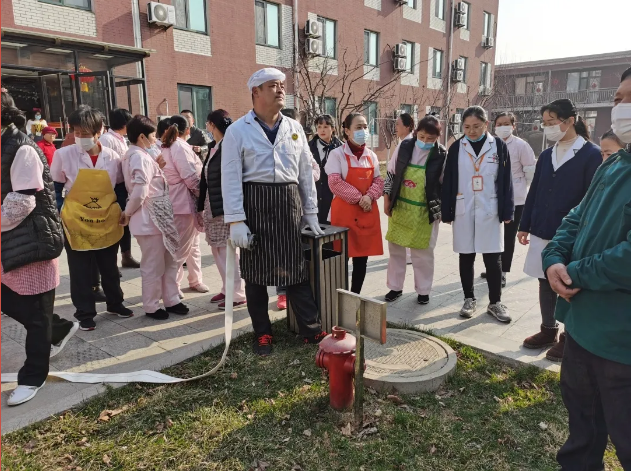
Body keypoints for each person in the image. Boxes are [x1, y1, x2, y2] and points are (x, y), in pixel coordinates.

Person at [541, 68, 631, 470]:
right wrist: (554, 258)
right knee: (582, 434)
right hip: (582, 330)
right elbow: (577, 217)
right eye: (618, 99)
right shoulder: (614, 164)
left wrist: (574, 272)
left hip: (621, 342)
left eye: (629, 100)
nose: (620, 108)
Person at [222, 67, 326, 356]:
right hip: (254, 206)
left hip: (288, 205)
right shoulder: (237, 131)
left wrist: (311, 212)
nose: (281, 90)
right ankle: (263, 333)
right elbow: (230, 178)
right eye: (273, 86)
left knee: (295, 270)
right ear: (255, 92)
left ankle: (311, 329)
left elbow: (305, 173)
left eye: (282, 85)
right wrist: (236, 220)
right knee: (255, 276)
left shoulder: (294, 128)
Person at [1, 92, 78, 406]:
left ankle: (33, 377)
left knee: (36, 316)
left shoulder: (22, 148)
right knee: (25, 309)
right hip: (7, 241)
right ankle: (57, 328)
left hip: (33, 240)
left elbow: (22, 202)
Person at [518, 99, 602, 362]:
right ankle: (548, 330)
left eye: (552, 122)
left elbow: (592, 199)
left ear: (570, 121)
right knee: (545, 279)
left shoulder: (591, 155)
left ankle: (569, 337)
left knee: (568, 282)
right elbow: (535, 191)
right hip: (543, 227)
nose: (548, 127)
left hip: (572, 233)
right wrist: (524, 225)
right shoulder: (546, 155)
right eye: (545, 123)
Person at [50, 106, 133, 331]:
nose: (80, 137)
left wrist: (122, 210)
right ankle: (85, 312)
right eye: (76, 132)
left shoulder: (113, 157)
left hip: (106, 219)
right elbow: (55, 188)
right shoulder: (63, 155)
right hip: (76, 221)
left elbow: (119, 187)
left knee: (109, 266)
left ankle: (115, 303)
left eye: (85, 133)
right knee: (80, 270)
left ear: (99, 131)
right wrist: (61, 211)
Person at [442, 106, 514, 323]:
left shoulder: (498, 146)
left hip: (490, 208)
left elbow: (506, 181)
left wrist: (507, 210)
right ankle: (469, 299)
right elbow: (449, 180)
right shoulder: (457, 147)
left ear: (486, 124)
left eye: (476, 126)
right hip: (464, 207)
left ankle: (495, 302)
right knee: (466, 255)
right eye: (466, 127)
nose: (471, 131)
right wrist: (447, 211)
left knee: (493, 257)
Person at [121, 115, 188, 319]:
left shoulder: (142, 155)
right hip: (149, 219)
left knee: (169, 261)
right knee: (153, 265)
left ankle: (171, 299)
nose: (154, 140)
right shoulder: (138, 156)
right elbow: (139, 190)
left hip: (159, 217)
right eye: (152, 136)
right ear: (142, 137)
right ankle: (151, 305)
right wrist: (127, 213)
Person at [383, 115, 446, 304]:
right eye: (422, 136)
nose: (425, 141)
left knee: (423, 252)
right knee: (396, 249)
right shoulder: (404, 146)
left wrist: (441, 210)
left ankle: (423, 290)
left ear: (437, 137)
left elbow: (444, 184)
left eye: (430, 139)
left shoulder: (441, 154)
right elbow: (391, 174)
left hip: (424, 211)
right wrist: (386, 199)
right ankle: (395, 287)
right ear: (416, 132)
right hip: (401, 206)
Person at [326, 112, 384, 294]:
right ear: (347, 131)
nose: (363, 131)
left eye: (365, 127)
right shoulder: (337, 154)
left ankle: (354, 297)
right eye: (358, 127)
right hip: (343, 216)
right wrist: (359, 198)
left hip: (365, 214)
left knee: (361, 260)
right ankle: (339, 296)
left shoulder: (371, 156)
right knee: (340, 259)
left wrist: (370, 197)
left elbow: (379, 181)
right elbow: (334, 182)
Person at [480, 112, 536, 286]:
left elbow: (530, 171)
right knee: (491, 235)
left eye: (506, 124)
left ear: (513, 126)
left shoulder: (521, 145)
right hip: (491, 197)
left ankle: (503, 271)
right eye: (499, 124)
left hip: (515, 199)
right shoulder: (488, 144)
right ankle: (493, 267)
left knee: (508, 236)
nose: (502, 127)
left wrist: (520, 187)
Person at [199, 109, 247, 310]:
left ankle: (237, 293)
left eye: (208, 124)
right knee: (218, 250)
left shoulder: (230, 145)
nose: (206, 127)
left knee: (228, 252)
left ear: (212, 125)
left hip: (225, 206)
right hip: (213, 204)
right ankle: (227, 289)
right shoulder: (215, 146)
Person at [160, 115, 208, 295]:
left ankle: (195, 280)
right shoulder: (179, 147)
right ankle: (172, 287)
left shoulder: (170, 145)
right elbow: (190, 178)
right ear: (188, 130)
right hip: (182, 202)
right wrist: (203, 196)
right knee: (180, 248)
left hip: (180, 201)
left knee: (192, 246)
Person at [99, 107, 141, 270]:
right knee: (114, 223)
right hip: (113, 186)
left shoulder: (122, 139)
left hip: (123, 185)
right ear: (124, 123)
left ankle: (126, 255)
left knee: (125, 221)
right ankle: (112, 262)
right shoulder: (107, 139)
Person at [310, 114, 343, 224]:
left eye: (325, 127)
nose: (322, 130)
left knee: (331, 228)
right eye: (319, 127)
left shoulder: (341, 148)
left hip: (333, 196)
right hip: (313, 195)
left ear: (332, 128)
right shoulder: (308, 147)